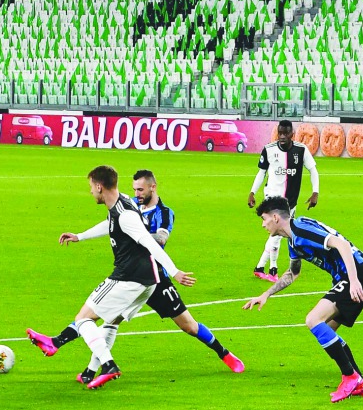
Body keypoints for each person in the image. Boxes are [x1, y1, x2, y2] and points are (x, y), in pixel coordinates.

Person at [26, 165, 196, 389]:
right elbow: (110, 224)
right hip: (147, 280)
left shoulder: (126, 215)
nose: (90, 192)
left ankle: (108, 365)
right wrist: (80, 236)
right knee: (111, 322)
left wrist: (174, 272)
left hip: (129, 277)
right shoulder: (121, 201)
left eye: (91, 187)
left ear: (99, 186)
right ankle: (87, 370)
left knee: (83, 319)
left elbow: (149, 242)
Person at [243, 197, 363, 403]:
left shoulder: (302, 230)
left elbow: (341, 244)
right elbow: (292, 273)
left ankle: (350, 377)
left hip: (356, 273)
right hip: (349, 276)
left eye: (264, 219)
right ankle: (359, 381)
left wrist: (354, 280)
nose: (263, 224)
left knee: (313, 319)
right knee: (327, 330)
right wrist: (265, 294)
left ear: (275, 217)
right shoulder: (293, 240)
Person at [131, 169, 244, 373]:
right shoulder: (130, 206)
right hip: (129, 275)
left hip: (157, 277)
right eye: (134, 190)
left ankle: (224, 353)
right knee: (107, 317)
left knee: (189, 326)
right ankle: (88, 364)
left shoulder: (164, 213)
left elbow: (161, 239)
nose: (136, 194)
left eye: (140, 190)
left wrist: (135, 236)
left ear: (152, 187)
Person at [248, 120, 319, 282]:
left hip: (290, 202)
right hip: (272, 199)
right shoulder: (269, 149)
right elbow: (261, 172)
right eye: (280, 133)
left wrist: (315, 192)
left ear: (292, 134)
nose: (282, 136)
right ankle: (272, 270)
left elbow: (313, 170)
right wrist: (252, 192)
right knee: (278, 233)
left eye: (286, 133)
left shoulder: (301, 150)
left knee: (280, 234)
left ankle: (260, 267)